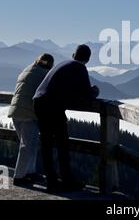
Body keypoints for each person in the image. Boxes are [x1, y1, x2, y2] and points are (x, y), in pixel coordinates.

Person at [33, 44, 99, 192]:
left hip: (39, 102)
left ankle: (51, 181)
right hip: (52, 106)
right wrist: (95, 91)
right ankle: (67, 181)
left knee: (47, 144)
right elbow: (87, 94)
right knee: (62, 143)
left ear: (73, 55)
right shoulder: (80, 68)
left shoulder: (64, 64)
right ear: (87, 59)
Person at [8, 53, 55, 186]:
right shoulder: (45, 74)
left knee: (30, 145)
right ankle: (19, 176)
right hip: (29, 113)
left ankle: (30, 172)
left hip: (16, 111)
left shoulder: (27, 69)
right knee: (27, 146)